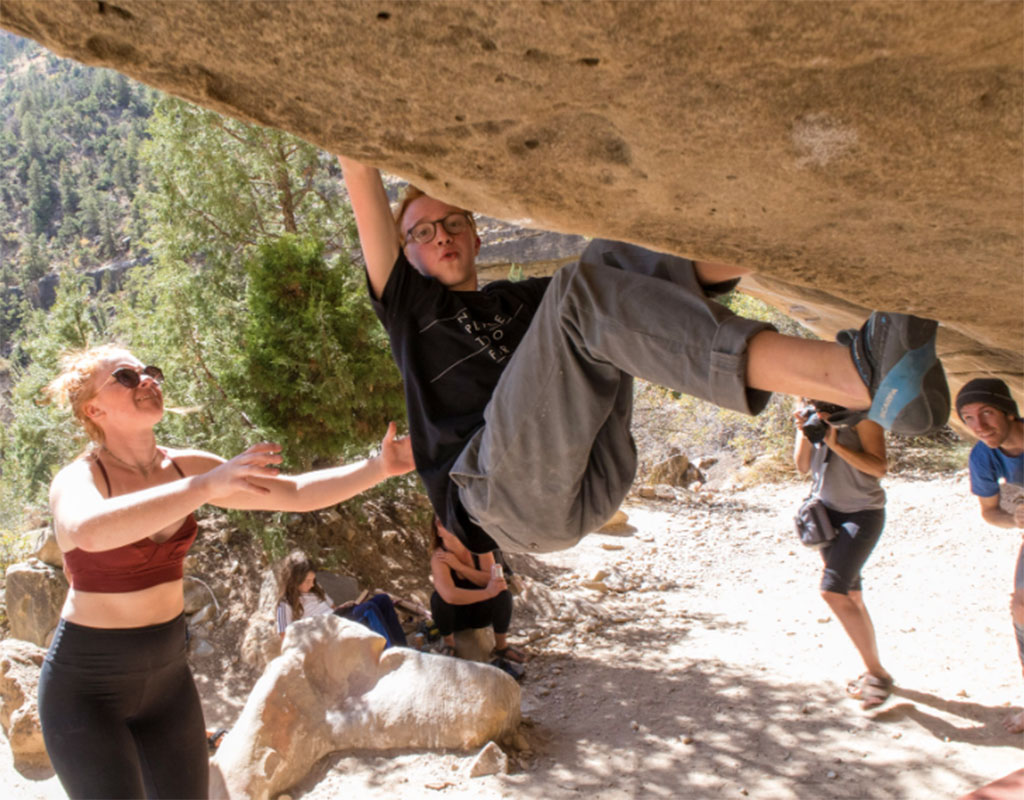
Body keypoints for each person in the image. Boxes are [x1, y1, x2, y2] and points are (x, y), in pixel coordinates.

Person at [337, 156, 949, 558]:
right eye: (421, 231)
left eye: (452, 221)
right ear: (404, 255)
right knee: (579, 293)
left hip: (592, 472)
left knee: (607, 262)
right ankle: (853, 376)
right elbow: (358, 174)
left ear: (476, 235)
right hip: (500, 497)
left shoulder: (517, 302)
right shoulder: (411, 311)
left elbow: (624, 284)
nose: (440, 234)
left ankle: (788, 222)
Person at [37, 344, 414, 799]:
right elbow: (88, 531)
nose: (148, 380)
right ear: (93, 407)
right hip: (86, 691)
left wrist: (379, 468)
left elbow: (293, 492)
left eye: (149, 371)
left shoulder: (187, 465)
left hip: (168, 682)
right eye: (126, 376)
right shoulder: (79, 479)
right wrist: (203, 487)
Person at [793, 399, 892, 709]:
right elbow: (801, 466)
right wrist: (805, 431)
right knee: (852, 595)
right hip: (826, 514)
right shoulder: (810, 416)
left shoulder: (862, 417)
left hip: (862, 514)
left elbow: (879, 467)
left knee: (832, 591)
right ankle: (872, 670)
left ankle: (878, 676)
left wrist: (835, 442)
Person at [955, 377, 1024, 734]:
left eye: (986, 413)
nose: (978, 426)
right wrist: (1014, 519)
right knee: (1022, 606)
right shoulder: (984, 456)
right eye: (968, 418)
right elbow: (989, 512)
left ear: (1008, 411)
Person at [429, 516, 527, 663]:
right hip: (456, 618)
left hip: (481, 614)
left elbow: (491, 579)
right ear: (437, 532)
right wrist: (487, 592)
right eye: (441, 522)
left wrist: (459, 567)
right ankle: (449, 644)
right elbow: (450, 595)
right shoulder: (439, 557)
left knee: (503, 595)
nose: (447, 524)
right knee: (438, 598)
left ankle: (501, 646)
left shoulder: (477, 547)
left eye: (449, 519)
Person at [275, 549, 407, 647]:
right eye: (307, 581)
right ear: (294, 580)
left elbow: (333, 609)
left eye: (313, 579)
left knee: (382, 599)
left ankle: (402, 647)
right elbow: (284, 637)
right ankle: (388, 653)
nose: (311, 584)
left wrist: (346, 606)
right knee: (369, 609)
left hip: (336, 618)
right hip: (325, 630)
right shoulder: (285, 603)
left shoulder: (316, 589)